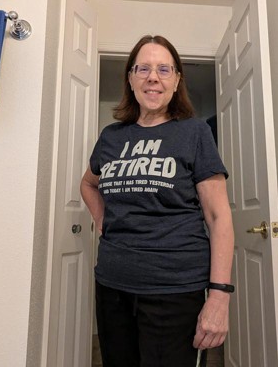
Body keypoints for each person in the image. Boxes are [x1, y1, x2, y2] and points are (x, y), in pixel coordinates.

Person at [80, 35, 234, 367]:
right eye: (144, 69)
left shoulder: (194, 132)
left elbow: (218, 217)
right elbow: (89, 184)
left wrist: (219, 296)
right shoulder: (111, 137)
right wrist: (102, 219)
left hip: (176, 289)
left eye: (164, 69)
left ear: (177, 81)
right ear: (131, 78)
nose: (153, 77)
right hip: (112, 285)